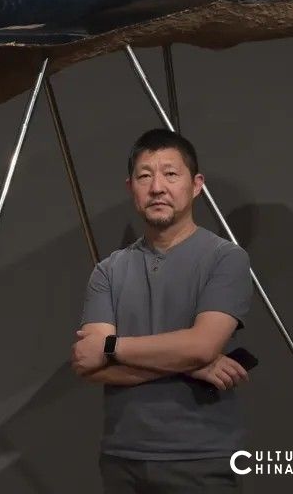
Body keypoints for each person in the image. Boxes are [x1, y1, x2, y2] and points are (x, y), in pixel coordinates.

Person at [71, 128, 254, 493]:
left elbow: (201, 345)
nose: (157, 187)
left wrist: (111, 346)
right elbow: (88, 364)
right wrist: (190, 364)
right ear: (131, 188)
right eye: (144, 176)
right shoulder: (109, 270)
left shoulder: (225, 258)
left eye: (171, 174)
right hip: (121, 458)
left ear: (196, 185)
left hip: (201, 458)